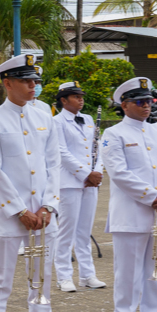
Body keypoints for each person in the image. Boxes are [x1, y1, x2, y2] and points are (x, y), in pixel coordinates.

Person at [0, 54, 71, 312]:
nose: (34, 86)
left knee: (42, 281)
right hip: (10, 216)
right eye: (26, 81)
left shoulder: (45, 116)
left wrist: (48, 205)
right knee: (0, 283)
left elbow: (53, 164)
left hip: (44, 215)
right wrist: (19, 209)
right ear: (8, 84)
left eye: (35, 80)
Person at [100, 78, 157, 312]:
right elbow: (119, 173)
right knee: (128, 273)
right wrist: (152, 196)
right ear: (124, 105)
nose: (147, 105)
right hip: (132, 214)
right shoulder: (114, 134)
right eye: (140, 101)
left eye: (149, 101)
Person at [53, 81, 107, 291]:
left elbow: (97, 147)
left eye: (81, 96)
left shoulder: (88, 119)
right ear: (64, 100)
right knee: (67, 230)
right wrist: (86, 174)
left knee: (84, 231)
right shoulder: (57, 122)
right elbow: (61, 152)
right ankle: (64, 276)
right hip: (70, 182)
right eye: (76, 96)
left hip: (90, 182)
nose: (81, 99)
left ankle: (87, 274)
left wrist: (98, 171)